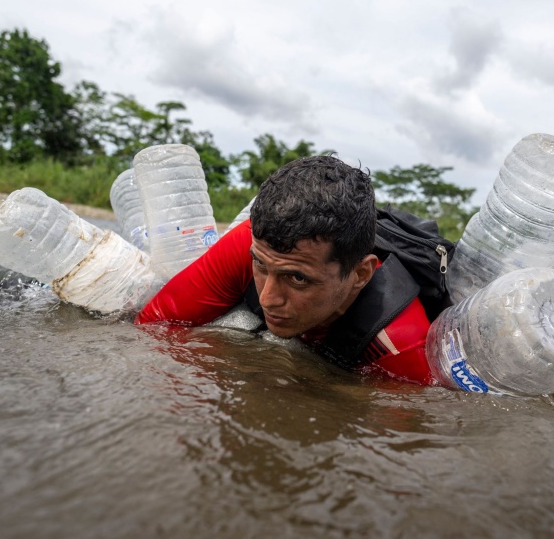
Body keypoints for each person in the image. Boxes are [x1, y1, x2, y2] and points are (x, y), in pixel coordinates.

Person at [135, 155, 437, 385]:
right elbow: (153, 329)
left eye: (297, 278)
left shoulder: (401, 345)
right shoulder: (250, 243)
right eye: (261, 266)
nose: (268, 298)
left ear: (360, 275)